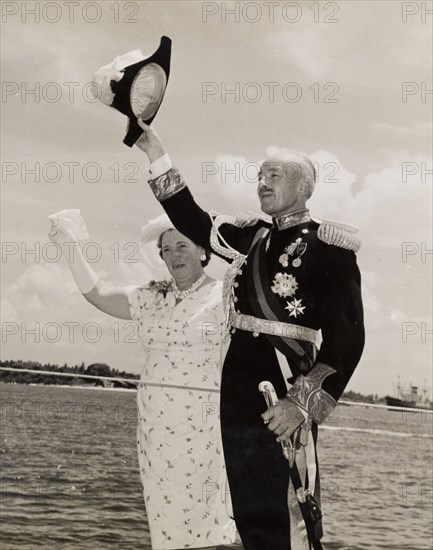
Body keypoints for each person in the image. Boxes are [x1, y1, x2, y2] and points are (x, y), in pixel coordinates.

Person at [133, 120, 365, 550]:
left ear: (305, 188)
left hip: (282, 392)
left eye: (274, 175)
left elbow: (347, 338)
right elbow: (192, 219)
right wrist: (155, 152)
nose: (262, 182)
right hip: (235, 395)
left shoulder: (329, 248)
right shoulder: (251, 237)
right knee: (249, 512)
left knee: (291, 511)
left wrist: (301, 405)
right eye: (259, 176)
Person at [48, 213, 236, 550]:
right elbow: (99, 294)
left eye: (183, 245)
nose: (175, 255)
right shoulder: (150, 296)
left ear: (203, 252)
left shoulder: (226, 297)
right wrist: (70, 245)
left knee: (204, 520)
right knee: (166, 522)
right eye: (167, 249)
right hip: (155, 426)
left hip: (203, 424)